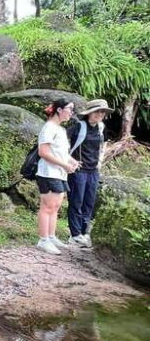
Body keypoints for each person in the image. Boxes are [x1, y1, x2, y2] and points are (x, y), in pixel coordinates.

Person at [36, 99, 79, 255]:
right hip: (48, 173)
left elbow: (61, 152)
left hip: (59, 173)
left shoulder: (60, 129)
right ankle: (43, 240)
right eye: (70, 109)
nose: (71, 112)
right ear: (59, 110)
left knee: (55, 206)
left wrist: (71, 161)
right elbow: (43, 152)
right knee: (47, 206)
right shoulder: (48, 128)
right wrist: (64, 165)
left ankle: (52, 236)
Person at [66, 99, 112, 248]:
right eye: (97, 111)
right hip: (78, 170)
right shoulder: (79, 126)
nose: (100, 114)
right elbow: (63, 142)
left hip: (93, 171)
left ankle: (84, 233)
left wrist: (100, 161)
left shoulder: (101, 127)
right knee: (76, 201)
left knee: (89, 202)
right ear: (89, 113)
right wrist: (69, 161)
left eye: (102, 112)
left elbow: (104, 143)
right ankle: (75, 235)